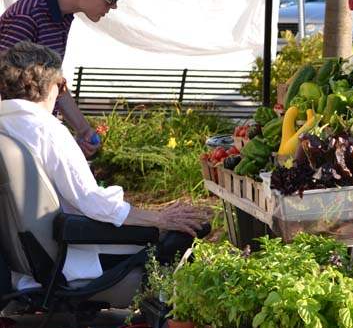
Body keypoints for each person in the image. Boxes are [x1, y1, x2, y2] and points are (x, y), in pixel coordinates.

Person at [0, 42, 207, 290]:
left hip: (23, 259)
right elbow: (91, 201)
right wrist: (160, 218)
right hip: (70, 255)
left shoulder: (6, 127)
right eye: (62, 86)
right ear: (48, 85)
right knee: (182, 237)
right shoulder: (47, 129)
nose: (61, 94)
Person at [0, 0, 138, 157]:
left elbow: (52, 81)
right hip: (19, 142)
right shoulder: (27, 16)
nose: (113, 7)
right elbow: (6, 88)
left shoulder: (61, 15)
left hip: (36, 135)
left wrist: (83, 130)